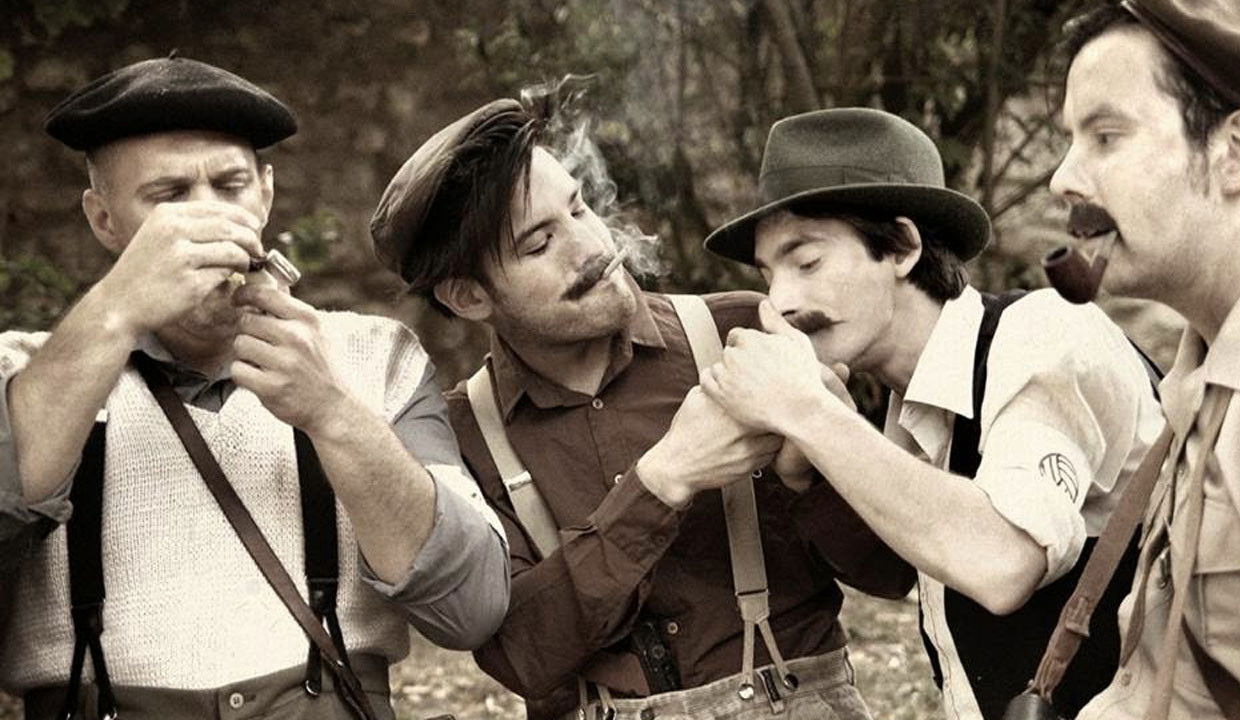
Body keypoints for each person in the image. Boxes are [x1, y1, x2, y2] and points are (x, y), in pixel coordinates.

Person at [369, 97, 912, 720]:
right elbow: (522, 656)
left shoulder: (745, 332)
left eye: (580, 208)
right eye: (540, 244)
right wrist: (663, 479)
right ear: (468, 297)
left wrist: (811, 469)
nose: (592, 246)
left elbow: (890, 574)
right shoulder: (463, 436)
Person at [0, 56, 509, 720]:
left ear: (265, 194)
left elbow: (473, 608)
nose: (207, 217)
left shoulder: (375, 356)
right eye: (168, 196)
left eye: (230, 185)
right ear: (103, 220)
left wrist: (332, 412)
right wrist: (114, 311)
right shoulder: (24, 371)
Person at [698, 107, 1165, 719]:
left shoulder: (1043, 334)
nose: (780, 302)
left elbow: (1003, 563)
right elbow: (898, 569)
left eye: (807, 262)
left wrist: (808, 412)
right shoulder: (914, 409)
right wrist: (803, 467)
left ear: (902, 247)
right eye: (768, 274)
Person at [1048, 1, 1240, 718]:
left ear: (1236, 152)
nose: (1062, 179)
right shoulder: (1203, 372)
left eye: (1106, 136)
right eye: (1070, 139)